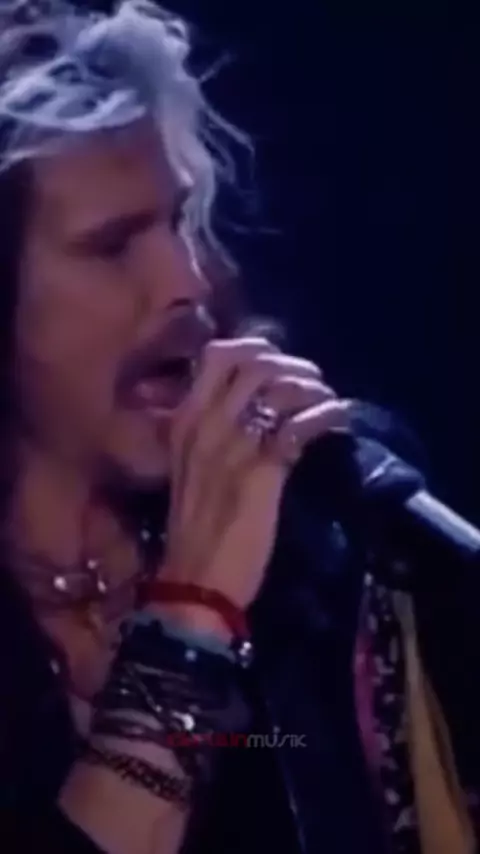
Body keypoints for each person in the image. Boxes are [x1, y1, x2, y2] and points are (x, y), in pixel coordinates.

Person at [0, 2, 478, 853]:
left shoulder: (319, 530)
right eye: (113, 246)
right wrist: (191, 613)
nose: (186, 280)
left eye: (179, 221)